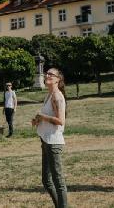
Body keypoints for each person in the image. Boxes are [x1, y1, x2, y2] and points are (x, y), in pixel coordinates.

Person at [32, 68, 69, 208]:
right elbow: (47, 116)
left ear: (57, 79)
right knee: (46, 180)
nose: (47, 75)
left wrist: (43, 117)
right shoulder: (49, 95)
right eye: (46, 73)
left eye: (50, 74)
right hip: (46, 140)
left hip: (54, 142)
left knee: (58, 181)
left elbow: (60, 121)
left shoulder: (57, 96)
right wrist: (38, 120)